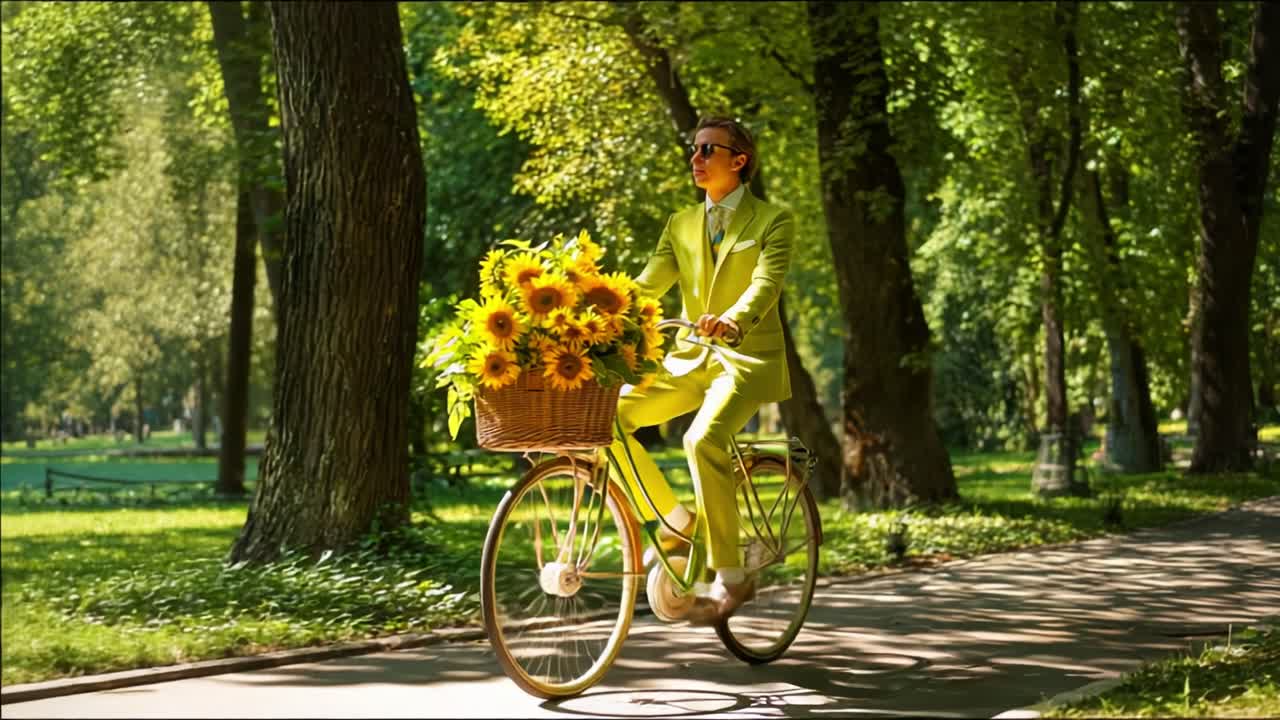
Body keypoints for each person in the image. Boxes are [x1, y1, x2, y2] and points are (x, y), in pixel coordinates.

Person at [607, 115, 794, 625]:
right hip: (689, 359)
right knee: (604, 420)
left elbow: (766, 282)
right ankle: (676, 521)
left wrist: (733, 320)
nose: (696, 158)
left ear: (739, 161)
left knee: (701, 441)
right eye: (694, 149)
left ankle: (731, 577)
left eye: (708, 150)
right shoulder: (680, 225)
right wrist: (598, 306)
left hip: (743, 357)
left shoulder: (773, 220)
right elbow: (647, 284)